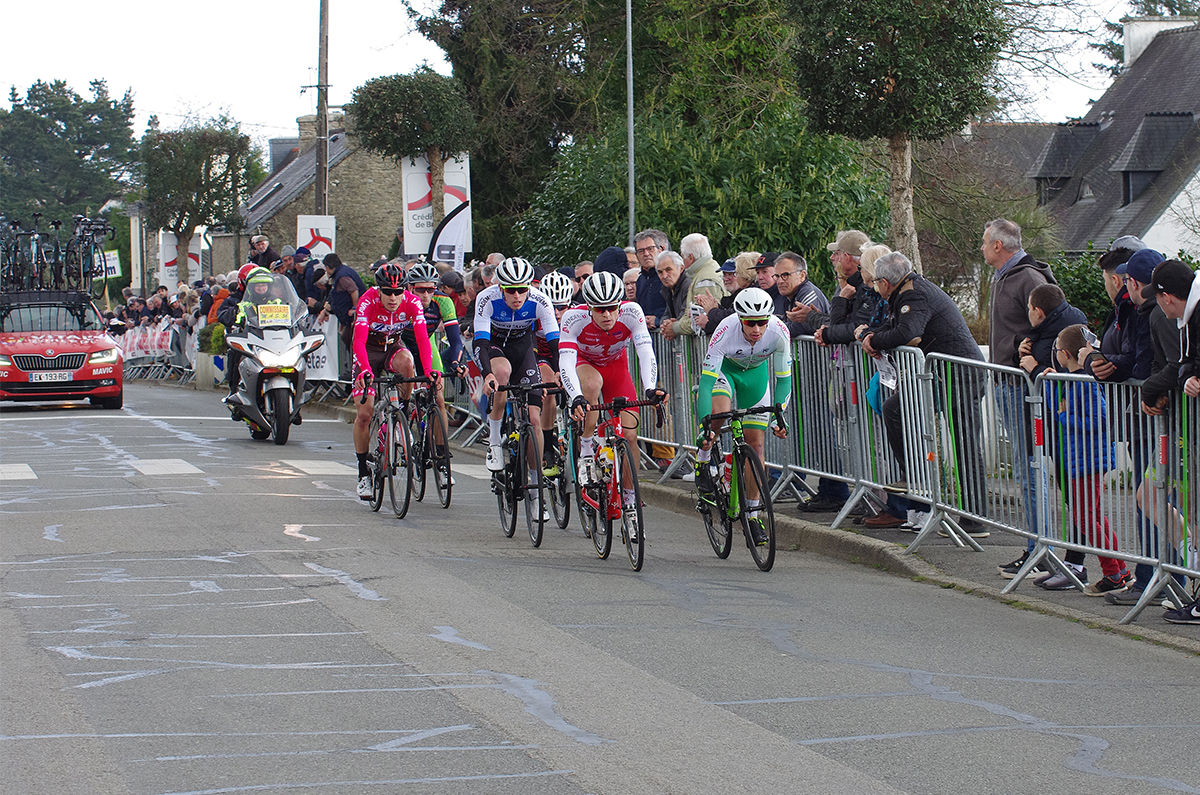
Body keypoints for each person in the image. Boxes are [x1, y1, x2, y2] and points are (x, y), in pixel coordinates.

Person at [860, 253, 990, 536]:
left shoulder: (914, 295)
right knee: (896, 408)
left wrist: (875, 341)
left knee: (964, 442)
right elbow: (896, 328)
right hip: (947, 374)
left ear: (885, 283)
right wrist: (870, 335)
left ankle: (973, 515)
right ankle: (917, 477)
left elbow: (907, 332)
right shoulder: (906, 292)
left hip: (960, 376)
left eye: (876, 282)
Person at [560, 272, 663, 529]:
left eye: (612, 308)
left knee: (629, 435)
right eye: (600, 309)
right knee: (591, 385)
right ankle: (586, 448)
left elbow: (645, 352)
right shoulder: (574, 318)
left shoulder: (632, 312)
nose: (607, 314)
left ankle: (629, 499)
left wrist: (650, 388)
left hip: (616, 368)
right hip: (585, 364)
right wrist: (575, 396)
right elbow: (566, 361)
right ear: (589, 307)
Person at [1034, 324, 1131, 594]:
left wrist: (1066, 416)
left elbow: (1099, 420)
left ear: (1064, 353)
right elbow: (1058, 409)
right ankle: (1121, 569)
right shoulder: (1071, 379)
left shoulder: (1086, 383)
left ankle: (1113, 574)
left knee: (1086, 519)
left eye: (1056, 350)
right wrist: (1051, 387)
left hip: (1088, 461)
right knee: (1092, 516)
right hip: (1080, 459)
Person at [693, 288, 792, 546]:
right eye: (750, 323)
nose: (757, 329)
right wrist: (705, 425)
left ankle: (753, 515)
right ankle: (703, 457)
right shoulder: (725, 330)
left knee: (756, 446)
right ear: (740, 319)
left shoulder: (779, 331)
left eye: (762, 322)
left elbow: (784, 381)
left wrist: (779, 417)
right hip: (725, 372)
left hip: (756, 377)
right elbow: (706, 383)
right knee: (718, 413)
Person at [984, 218, 1055, 569]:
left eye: (985, 243)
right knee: (1026, 469)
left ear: (999, 245)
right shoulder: (1004, 276)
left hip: (1021, 386)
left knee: (1030, 469)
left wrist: (1020, 350)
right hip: (1008, 383)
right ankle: (1036, 547)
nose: (982, 249)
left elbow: (1052, 324)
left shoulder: (1028, 277)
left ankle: (1040, 550)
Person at [1137, 259, 1200, 624]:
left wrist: (1156, 386)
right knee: (1157, 497)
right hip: (1183, 427)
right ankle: (1193, 564)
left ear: (1167, 296)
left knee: (1192, 507)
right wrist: (1185, 376)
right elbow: (1180, 362)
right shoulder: (1183, 315)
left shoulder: (1185, 315)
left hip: (1188, 430)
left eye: (1158, 296)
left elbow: (1180, 363)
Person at [350, 262, 437, 499]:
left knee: (407, 363)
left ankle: (402, 416)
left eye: (397, 292)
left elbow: (422, 338)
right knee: (365, 414)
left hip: (392, 347)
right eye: (387, 292)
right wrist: (364, 370)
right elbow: (358, 341)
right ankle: (363, 473)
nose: (392, 297)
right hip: (367, 352)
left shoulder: (412, 302)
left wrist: (428, 369)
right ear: (379, 290)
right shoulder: (367, 301)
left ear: (404, 290)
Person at [474, 257, 561, 486]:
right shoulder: (487, 298)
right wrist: (487, 374)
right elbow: (480, 341)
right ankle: (494, 440)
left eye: (522, 290)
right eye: (511, 290)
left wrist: (559, 371)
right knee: (502, 372)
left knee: (534, 419)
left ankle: (536, 483)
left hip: (523, 349)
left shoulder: (540, 300)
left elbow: (554, 341)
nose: (517, 296)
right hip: (494, 346)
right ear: (500, 287)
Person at [402, 262, 463, 467]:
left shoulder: (443, 301)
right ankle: (399, 423)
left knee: (438, 397)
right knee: (403, 388)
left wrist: (455, 363)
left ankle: (441, 452)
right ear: (410, 288)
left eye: (430, 289)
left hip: (426, 343)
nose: (426, 295)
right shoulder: (401, 299)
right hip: (402, 343)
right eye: (421, 290)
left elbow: (455, 340)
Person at [533, 270, 574, 474]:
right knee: (549, 387)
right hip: (542, 356)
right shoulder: (535, 314)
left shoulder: (576, 314)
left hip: (567, 355)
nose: (556, 313)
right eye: (551, 306)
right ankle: (547, 448)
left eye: (562, 307)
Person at [815, 243, 889, 347]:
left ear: (869, 269)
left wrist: (827, 334)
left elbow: (862, 325)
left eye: (861, 267)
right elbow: (847, 323)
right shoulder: (868, 293)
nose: (860, 271)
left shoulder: (876, 296)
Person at [796, 230, 868, 333]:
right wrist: (816, 316)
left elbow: (847, 328)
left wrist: (812, 317)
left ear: (847, 257)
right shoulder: (852, 284)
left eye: (837, 253)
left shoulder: (866, 288)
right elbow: (838, 323)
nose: (832, 258)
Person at [660, 234, 726, 339]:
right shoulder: (708, 270)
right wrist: (678, 322)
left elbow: (700, 320)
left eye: (683, 256)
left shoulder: (704, 280)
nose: (683, 260)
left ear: (690, 257)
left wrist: (674, 327)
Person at [768, 252, 830, 339]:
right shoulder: (788, 294)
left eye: (785, 275)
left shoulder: (808, 293)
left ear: (802, 275)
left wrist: (773, 330)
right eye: (777, 276)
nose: (780, 281)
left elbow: (803, 326)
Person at [697, 253, 758, 336]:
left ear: (745, 274)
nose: (725, 279)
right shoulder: (747, 293)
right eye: (724, 275)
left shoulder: (751, 293)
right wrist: (715, 307)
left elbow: (734, 320)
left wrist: (712, 311)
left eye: (733, 274)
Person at [633, 229, 669, 329]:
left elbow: (678, 309)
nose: (646, 253)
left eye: (650, 249)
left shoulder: (670, 276)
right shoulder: (640, 281)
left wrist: (658, 320)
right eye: (641, 251)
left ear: (660, 250)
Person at [656, 251, 691, 339]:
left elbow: (686, 314)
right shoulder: (667, 289)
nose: (664, 276)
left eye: (668, 270)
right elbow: (666, 315)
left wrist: (672, 327)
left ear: (681, 268)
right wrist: (666, 326)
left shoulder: (688, 285)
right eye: (660, 272)